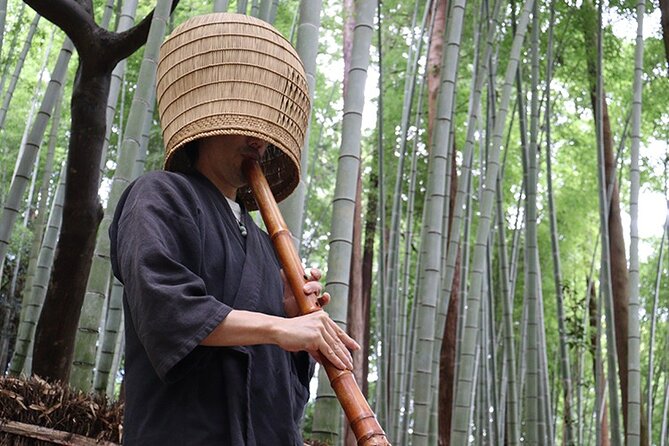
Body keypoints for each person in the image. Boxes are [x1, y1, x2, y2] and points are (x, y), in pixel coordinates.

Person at [108, 13, 358, 446]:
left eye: (267, 128)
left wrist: (290, 314)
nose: (260, 139)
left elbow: (276, 385)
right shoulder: (159, 195)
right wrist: (278, 328)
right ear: (212, 113)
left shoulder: (266, 246)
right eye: (249, 122)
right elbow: (166, 310)